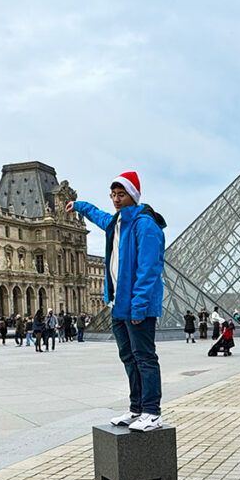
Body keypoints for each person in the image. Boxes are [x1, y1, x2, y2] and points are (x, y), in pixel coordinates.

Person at [67, 171, 166, 432]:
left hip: (136, 305)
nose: (116, 199)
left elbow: (149, 269)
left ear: (133, 195)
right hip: (118, 304)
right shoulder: (117, 222)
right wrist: (78, 205)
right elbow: (99, 215)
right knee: (128, 357)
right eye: (113, 195)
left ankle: (152, 412)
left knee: (144, 357)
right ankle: (136, 409)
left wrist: (139, 305)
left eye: (121, 194)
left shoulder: (146, 225)